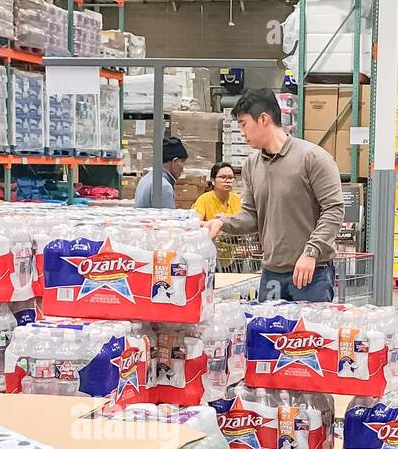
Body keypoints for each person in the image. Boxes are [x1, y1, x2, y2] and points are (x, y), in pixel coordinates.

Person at [202, 88, 345, 302]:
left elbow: (334, 210)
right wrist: (221, 223)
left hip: (310, 272)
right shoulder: (251, 165)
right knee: (267, 335)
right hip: (271, 274)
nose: (242, 133)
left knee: (305, 335)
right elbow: (251, 215)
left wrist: (311, 252)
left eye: (243, 124)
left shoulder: (312, 158)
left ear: (263, 119)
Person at [134, 136, 187, 209]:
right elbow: (168, 219)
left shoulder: (144, 180)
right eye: (182, 162)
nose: (183, 169)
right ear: (174, 162)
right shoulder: (164, 186)